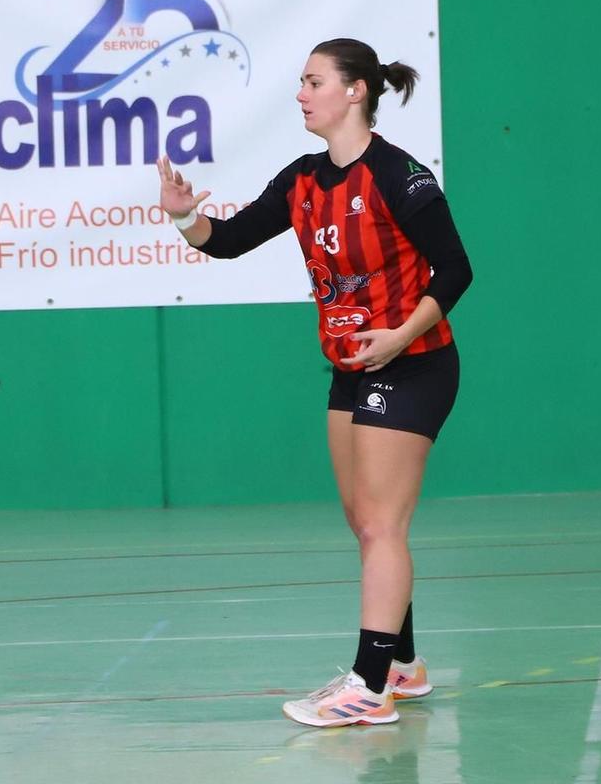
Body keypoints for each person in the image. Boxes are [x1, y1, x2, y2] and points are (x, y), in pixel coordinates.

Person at [158, 37, 472, 727]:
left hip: (413, 362)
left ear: (355, 91)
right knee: (362, 523)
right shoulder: (302, 179)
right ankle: (405, 665)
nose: (301, 93)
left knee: (384, 523)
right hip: (349, 368)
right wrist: (184, 213)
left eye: (314, 81)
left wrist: (400, 334)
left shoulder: (400, 176)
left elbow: (456, 270)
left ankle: (369, 686)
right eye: (301, 82)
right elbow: (229, 239)